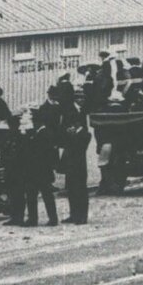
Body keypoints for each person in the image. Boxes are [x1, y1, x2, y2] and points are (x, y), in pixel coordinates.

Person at [11, 113, 60, 228]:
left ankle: (51, 218)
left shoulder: (45, 134)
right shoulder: (36, 133)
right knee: (32, 195)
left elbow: (45, 153)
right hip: (34, 171)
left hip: (42, 170)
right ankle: (34, 219)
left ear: (40, 122)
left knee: (45, 195)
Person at [57, 87, 91, 226]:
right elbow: (63, 131)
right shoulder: (71, 112)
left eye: (83, 97)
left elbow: (86, 133)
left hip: (78, 153)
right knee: (72, 185)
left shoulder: (81, 112)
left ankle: (82, 215)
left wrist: (79, 131)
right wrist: (71, 132)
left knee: (80, 185)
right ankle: (75, 214)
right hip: (72, 152)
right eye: (79, 98)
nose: (81, 100)